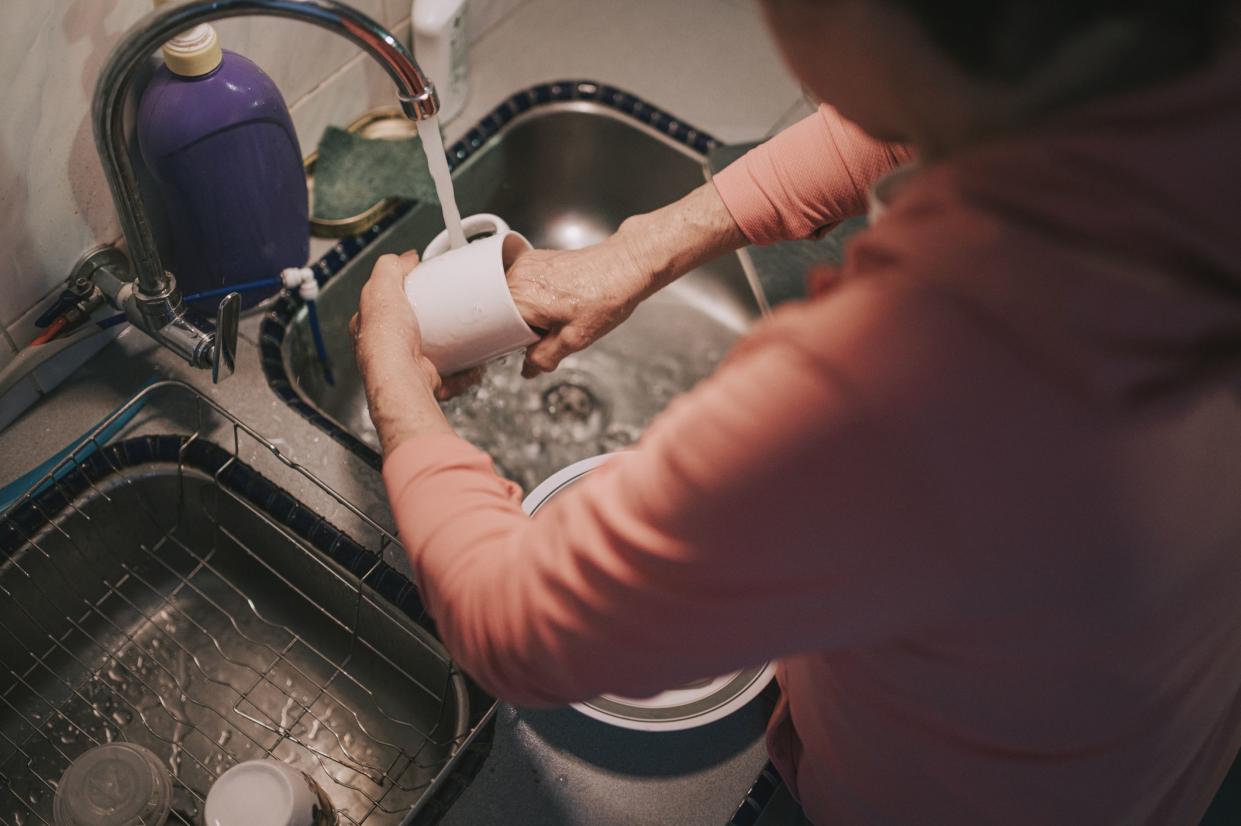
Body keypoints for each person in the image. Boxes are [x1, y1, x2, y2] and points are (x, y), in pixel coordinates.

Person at [349, 0, 1241, 822]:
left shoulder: (900, 385)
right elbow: (913, 114)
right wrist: (646, 245)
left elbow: (515, 628)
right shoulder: (1175, 96)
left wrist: (395, 384)